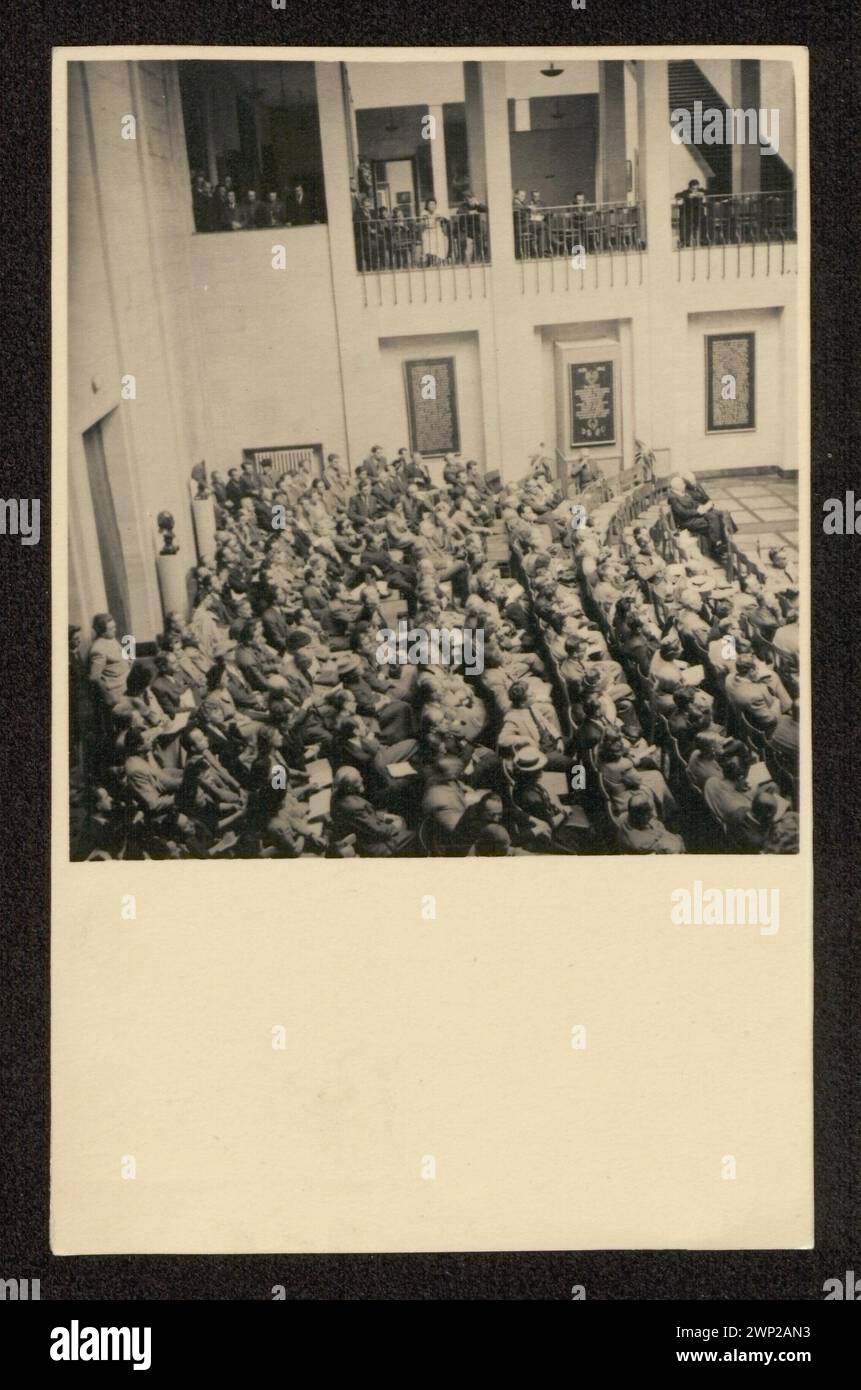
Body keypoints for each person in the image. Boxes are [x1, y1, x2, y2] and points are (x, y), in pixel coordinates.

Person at [616, 791, 684, 854]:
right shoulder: (642, 843)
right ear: (637, 816)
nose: (651, 815)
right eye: (647, 813)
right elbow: (672, 849)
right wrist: (678, 840)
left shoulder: (626, 817)